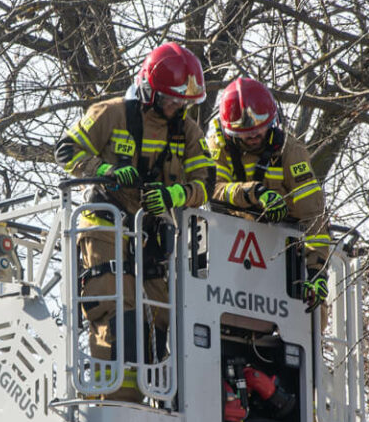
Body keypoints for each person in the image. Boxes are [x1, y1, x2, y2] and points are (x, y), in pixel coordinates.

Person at [54, 42, 214, 401]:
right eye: (173, 100)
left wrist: (175, 196)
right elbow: (66, 151)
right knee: (115, 304)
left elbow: (206, 184)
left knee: (161, 315)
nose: (178, 108)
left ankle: (156, 397)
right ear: (149, 91)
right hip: (105, 221)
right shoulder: (110, 114)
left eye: (185, 103)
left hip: (152, 229)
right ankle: (113, 398)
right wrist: (105, 171)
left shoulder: (186, 133)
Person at [207, 76, 333, 307]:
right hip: (227, 251)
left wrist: (318, 272)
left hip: (283, 256)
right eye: (247, 131)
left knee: (314, 313)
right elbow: (212, 190)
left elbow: (313, 214)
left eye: (260, 129)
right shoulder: (219, 147)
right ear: (229, 131)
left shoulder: (290, 151)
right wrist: (255, 193)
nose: (255, 135)